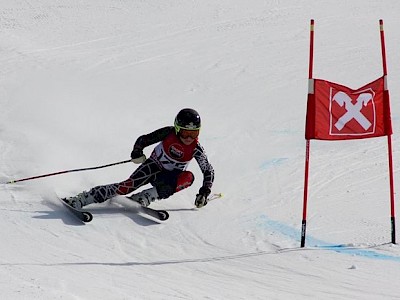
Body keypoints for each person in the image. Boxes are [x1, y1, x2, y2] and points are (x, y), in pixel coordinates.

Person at [64, 108, 214, 209]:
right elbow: (144, 139)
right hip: (153, 166)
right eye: (185, 133)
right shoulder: (168, 133)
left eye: (193, 134)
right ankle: (83, 198)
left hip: (168, 178)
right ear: (176, 128)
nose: (189, 138)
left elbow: (208, 170)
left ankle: (146, 196)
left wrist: (205, 191)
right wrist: (137, 152)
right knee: (125, 187)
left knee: (188, 177)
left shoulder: (196, 149)